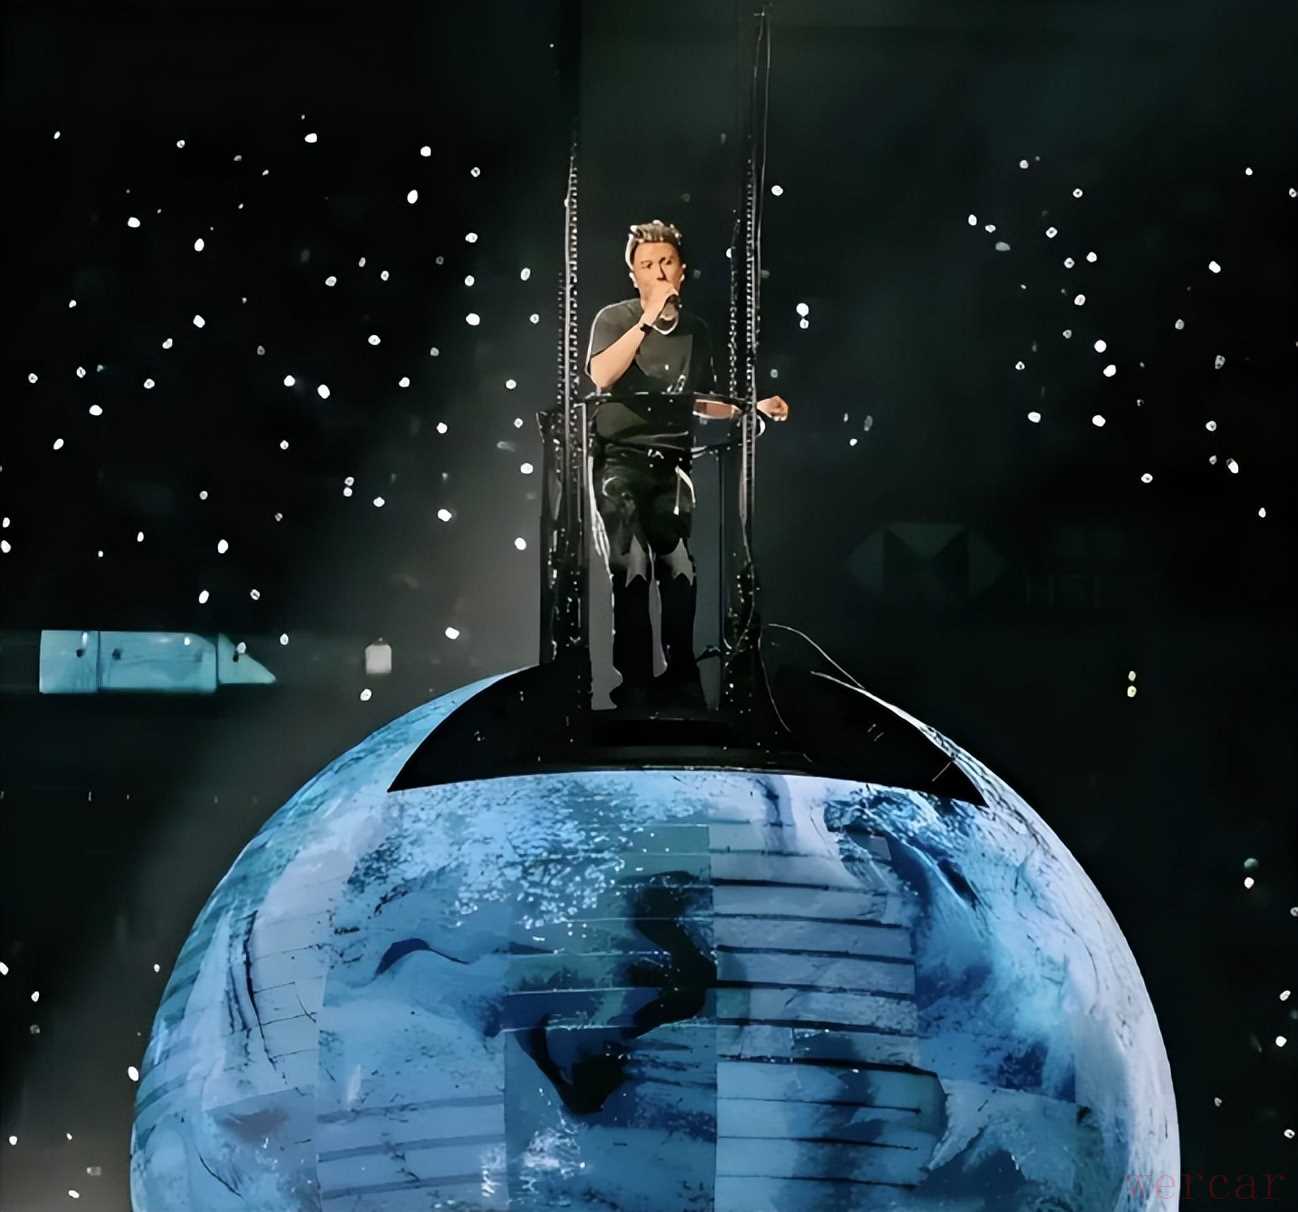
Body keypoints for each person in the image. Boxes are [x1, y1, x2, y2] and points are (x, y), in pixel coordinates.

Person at [585, 219, 790, 710]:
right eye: (646, 265)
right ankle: (634, 682)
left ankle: (681, 679)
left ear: (682, 270)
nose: (657, 272)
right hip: (619, 459)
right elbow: (601, 375)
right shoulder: (615, 318)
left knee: (679, 569)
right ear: (634, 275)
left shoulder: (696, 330)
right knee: (632, 565)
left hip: (671, 462)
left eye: (666, 262)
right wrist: (645, 320)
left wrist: (751, 409)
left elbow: (701, 400)